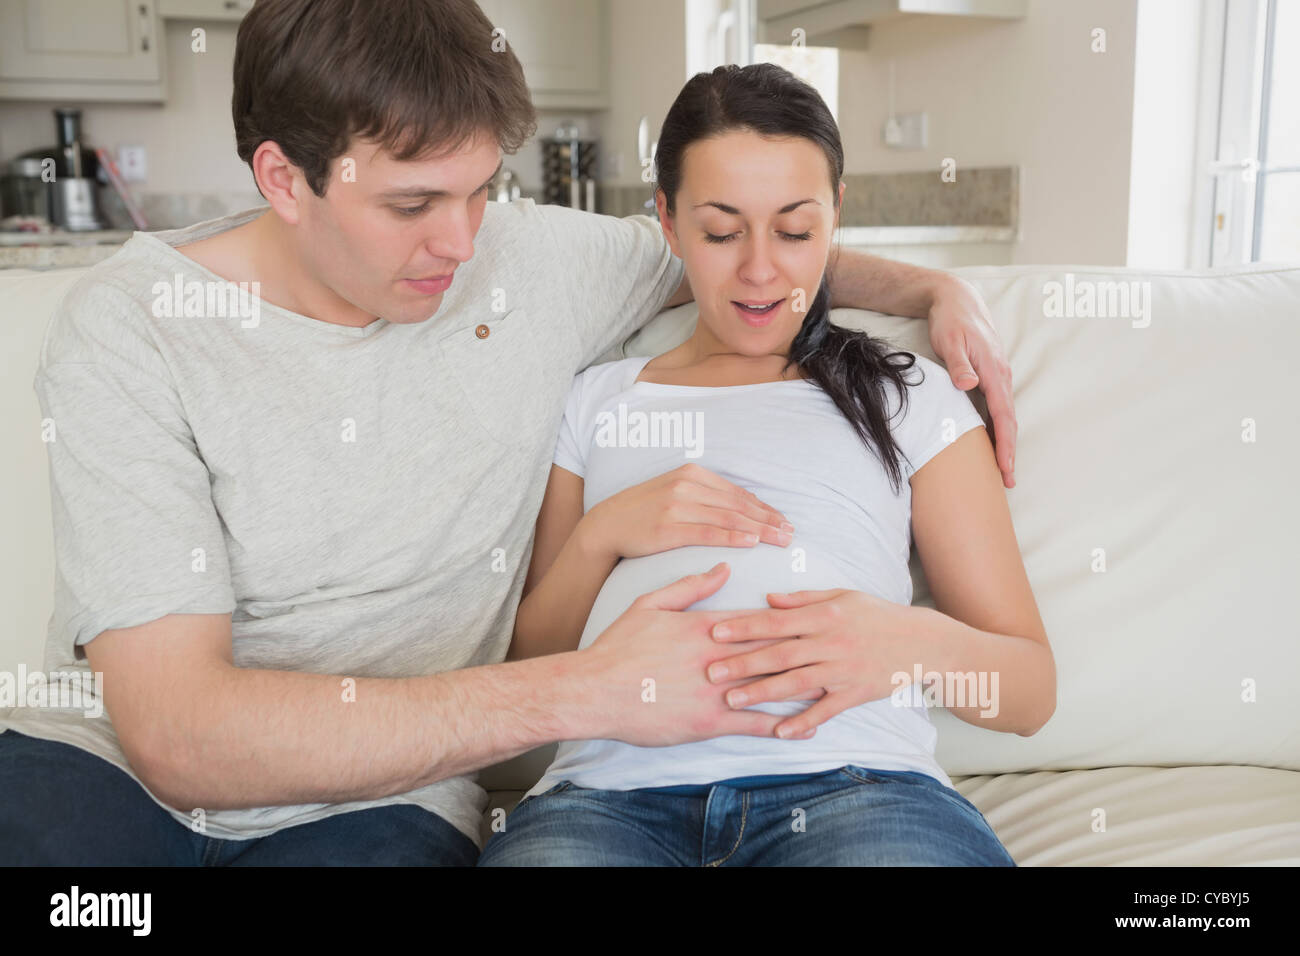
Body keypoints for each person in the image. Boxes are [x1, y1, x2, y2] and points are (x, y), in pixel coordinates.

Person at [0, 0, 1019, 866]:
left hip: (382, 801)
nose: (461, 242)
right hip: (105, 774)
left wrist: (935, 288)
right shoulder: (131, 326)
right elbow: (180, 732)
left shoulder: (529, 261)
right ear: (282, 180)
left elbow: (746, 256)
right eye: (413, 203)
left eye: (484, 189)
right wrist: (586, 685)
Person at [478, 62, 1052, 867]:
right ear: (668, 225)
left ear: (835, 217)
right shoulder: (595, 398)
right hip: (608, 804)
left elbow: (1028, 692)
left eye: (794, 230)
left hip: (860, 791)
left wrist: (904, 643)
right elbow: (530, 672)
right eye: (720, 232)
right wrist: (602, 535)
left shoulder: (905, 395)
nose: (760, 271)